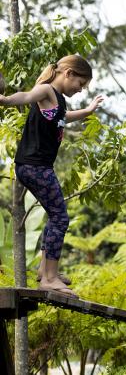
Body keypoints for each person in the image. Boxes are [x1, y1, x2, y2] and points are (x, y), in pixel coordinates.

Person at [0, 55, 103, 297]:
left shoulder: (58, 102)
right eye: (80, 84)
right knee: (60, 217)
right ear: (68, 74)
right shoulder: (46, 90)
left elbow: (63, 117)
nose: (80, 90)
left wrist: (87, 111)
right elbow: (25, 97)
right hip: (34, 166)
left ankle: (46, 271)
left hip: (36, 166)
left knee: (56, 215)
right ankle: (48, 278)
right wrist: (4, 100)